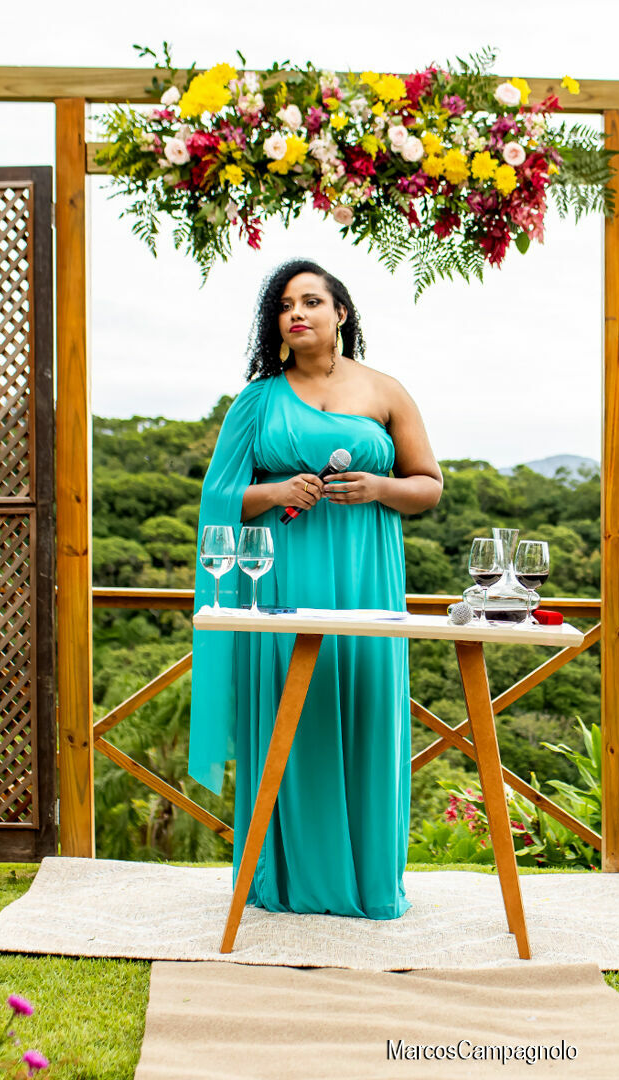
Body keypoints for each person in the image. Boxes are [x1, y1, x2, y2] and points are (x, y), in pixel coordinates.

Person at [187, 259, 443, 919]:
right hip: (276, 574)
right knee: (285, 718)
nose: (295, 312)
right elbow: (218, 499)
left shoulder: (386, 391)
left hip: (366, 576)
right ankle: (280, 883)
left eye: (310, 301)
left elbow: (429, 485)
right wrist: (272, 492)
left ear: (341, 314)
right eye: (283, 305)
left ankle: (366, 884)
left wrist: (380, 488)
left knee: (362, 708)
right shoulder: (256, 400)